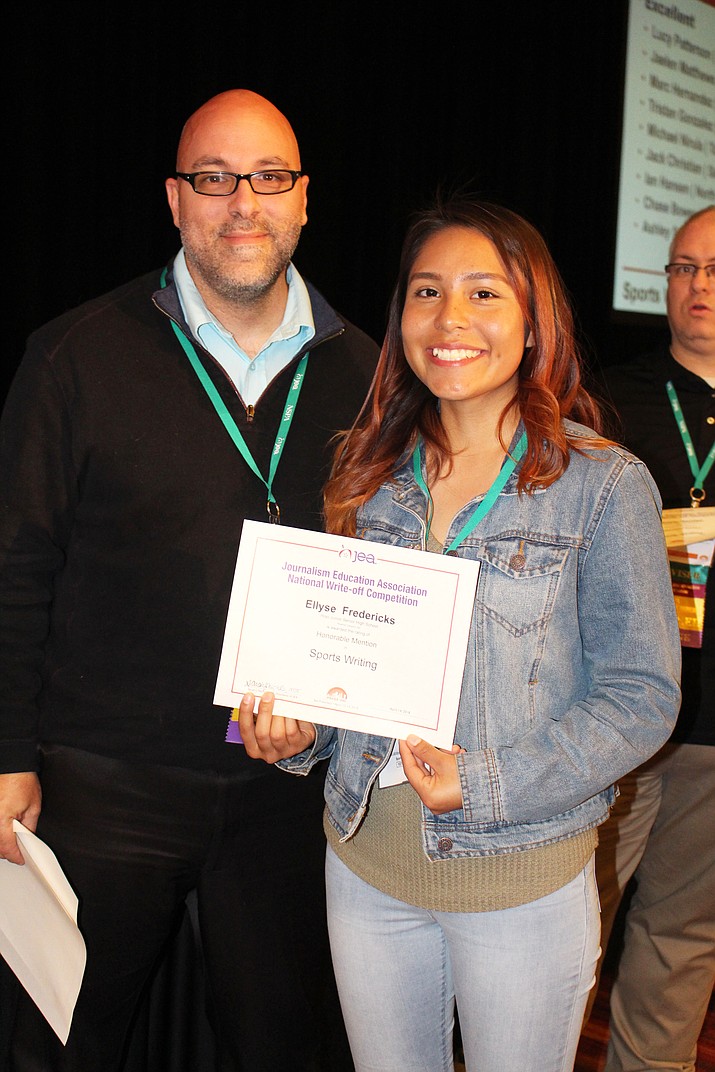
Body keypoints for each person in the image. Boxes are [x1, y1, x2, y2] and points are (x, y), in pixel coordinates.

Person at [236, 197, 682, 1072]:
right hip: (364, 865)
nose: (449, 320)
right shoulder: (367, 473)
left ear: (532, 319)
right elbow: (341, 673)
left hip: (518, 876)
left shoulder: (601, 485)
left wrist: (483, 783)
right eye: (426, 291)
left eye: (484, 294)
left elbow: (640, 698)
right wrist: (291, 732)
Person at [0, 88, 378, 1071]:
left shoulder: (370, 377)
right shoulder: (75, 355)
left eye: (267, 179)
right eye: (214, 179)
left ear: (303, 199)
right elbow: (14, 563)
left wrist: (332, 720)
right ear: (175, 200)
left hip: (282, 789)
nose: (241, 202)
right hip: (100, 782)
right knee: (54, 1044)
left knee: (283, 1049)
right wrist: (4, 754)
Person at [585, 204, 715, 1072]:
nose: (698, 286)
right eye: (682, 267)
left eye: (714, 270)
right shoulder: (604, 403)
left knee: (681, 946)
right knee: (565, 932)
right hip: (617, 719)